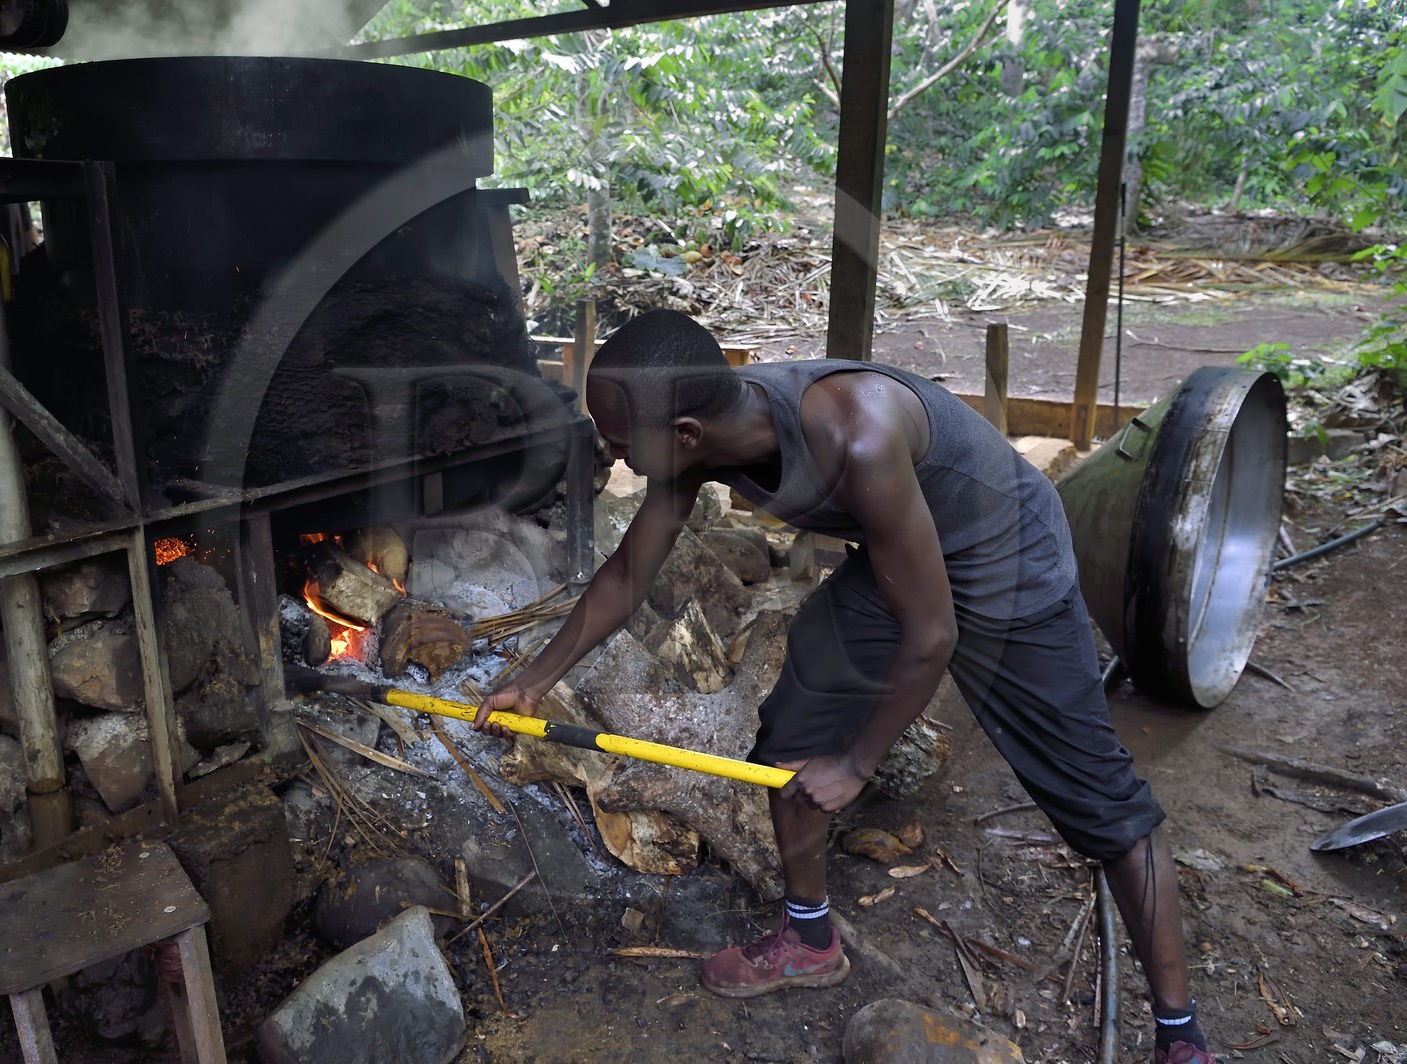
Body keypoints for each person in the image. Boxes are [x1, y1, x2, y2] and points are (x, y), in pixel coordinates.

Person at [473, 310, 1216, 1064]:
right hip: (904, 554)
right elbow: (629, 573)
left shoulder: (856, 434)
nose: (613, 454)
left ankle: (1181, 1037)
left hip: (1009, 561)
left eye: (621, 442)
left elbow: (933, 635)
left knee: (1103, 806)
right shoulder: (693, 439)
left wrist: (857, 764)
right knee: (791, 733)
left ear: (687, 434)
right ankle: (808, 937)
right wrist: (534, 682)